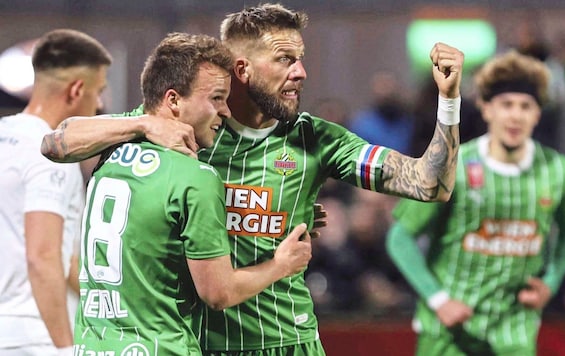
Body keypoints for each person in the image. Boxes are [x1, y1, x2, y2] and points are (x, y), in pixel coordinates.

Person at [41, 3, 464, 355]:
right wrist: (141, 127)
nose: (300, 72)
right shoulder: (189, 122)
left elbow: (431, 184)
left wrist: (448, 102)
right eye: (285, 59)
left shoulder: (315, 139)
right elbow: (56, 143)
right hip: (201, 341)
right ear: (242, 69)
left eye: (300, 59)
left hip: (285, 340)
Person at [71, 32, 313, 355]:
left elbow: (54, 141)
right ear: (173, 100)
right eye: (216, 98)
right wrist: (281, 265)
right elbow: (218, 293)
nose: (225, 111)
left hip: (92, 347)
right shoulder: (194, 176)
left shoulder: (113, 147)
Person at [386, 50, 565, 356]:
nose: (515, 115)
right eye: (506, 105)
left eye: (525, 106)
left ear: (537, 114)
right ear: (486, 108)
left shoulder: (560, 171)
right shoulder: (454, 165)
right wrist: (438, 299)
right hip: (449, 334)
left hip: (514, 332)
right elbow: (400, 238)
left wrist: (552, 281)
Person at [0, 29, 112, 356]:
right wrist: (65, 348)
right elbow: (44, 256)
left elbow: (65, 260)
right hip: (34, 335)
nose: (100, 103)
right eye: (99, 91)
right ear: (77, 90)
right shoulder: (52, 154)